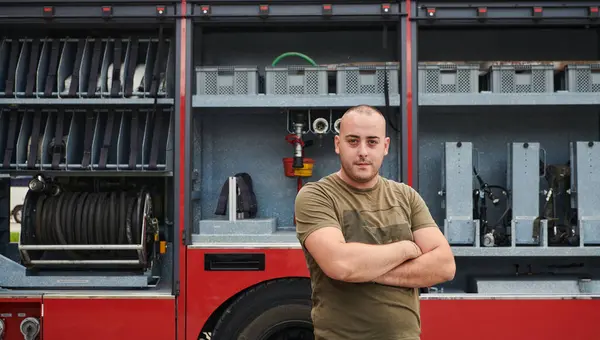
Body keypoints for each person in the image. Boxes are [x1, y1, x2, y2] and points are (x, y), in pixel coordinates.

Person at [294, 104, 456, 340]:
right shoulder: (317, 195)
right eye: (353, 141)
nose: (363, 151)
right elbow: (340, 264)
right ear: (338, 144)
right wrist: (406, 249)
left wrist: (364, 269)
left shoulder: (406, 196)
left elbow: (444, 266)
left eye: (372, 142)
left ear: (385, 146)